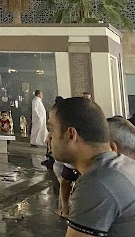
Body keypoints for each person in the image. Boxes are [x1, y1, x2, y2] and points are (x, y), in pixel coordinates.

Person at [47, 96, 135, 235]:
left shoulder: (96, 182)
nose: (48, 137)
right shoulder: (123, 164)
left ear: (71, 135)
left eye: (51, 129)